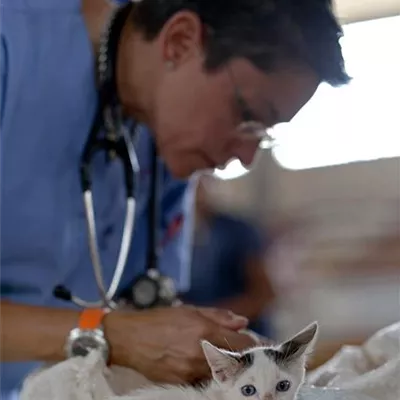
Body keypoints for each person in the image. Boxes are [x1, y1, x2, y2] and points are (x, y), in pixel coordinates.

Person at [0, 0, 350, 398]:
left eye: (264, 134)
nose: (247, 155)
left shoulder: (165, 144)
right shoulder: (12, 44)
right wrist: (109, 335)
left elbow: (147, 305)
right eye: (247, 116)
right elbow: (123, 332)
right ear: (180, 42)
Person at [182, 176, 276, 337]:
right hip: (198, 336)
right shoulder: (168, 237)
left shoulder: (237, 231)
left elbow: (264, 295)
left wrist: (213, 319)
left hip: (244, 335)